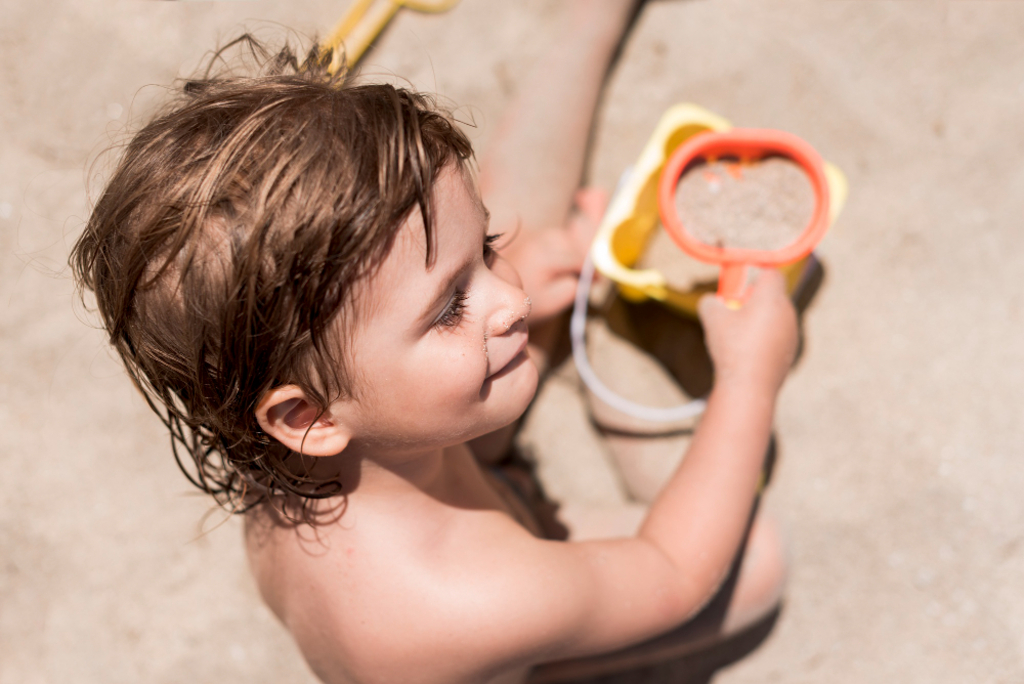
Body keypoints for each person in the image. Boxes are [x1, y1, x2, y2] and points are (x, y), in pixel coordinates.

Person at [70, 3, 796, 682]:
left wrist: (488, 280)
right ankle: (552, 653)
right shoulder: (470, 597)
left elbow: (433, 308)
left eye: (485, 247)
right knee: (755, 562)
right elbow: (670, 571)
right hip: (494, 617)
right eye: (451, 306)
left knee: (477, 261)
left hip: (431, 472)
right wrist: (746, 378)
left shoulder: (288, 429)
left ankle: (586, 24)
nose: (509, 298)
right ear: (309, 418)